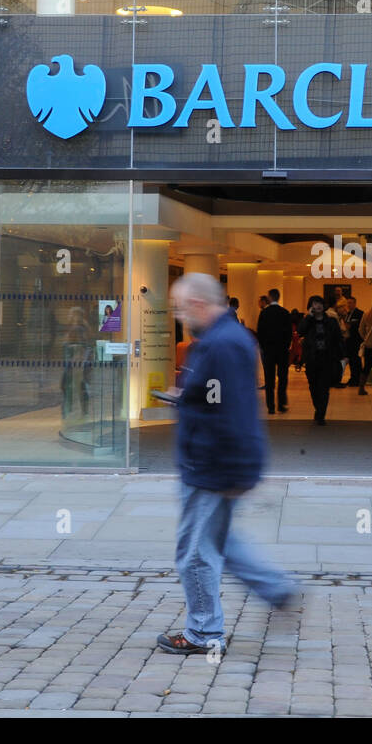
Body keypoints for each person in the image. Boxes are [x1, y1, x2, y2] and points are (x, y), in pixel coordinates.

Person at [157, 273, 297, 655]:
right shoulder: (222, 341)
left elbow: (231, 411)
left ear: (199, 304)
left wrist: (235, 469)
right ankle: (275, 587)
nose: (180, 316)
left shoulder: (222, 344)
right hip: (213, 462)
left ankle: (203, 633)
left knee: (196, 553)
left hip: (211, 465)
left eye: (182, 308)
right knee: (221, 541)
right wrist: (186, 395)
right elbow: (216, 397)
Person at [298, 296, 344, 425]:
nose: (317, 306)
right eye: (314, 303)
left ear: (324, 306)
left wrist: (342, 355)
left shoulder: (331, 322)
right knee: (313, 387)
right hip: (312, 359)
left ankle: (321, 414)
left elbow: (338, 339)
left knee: (324, 388)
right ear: (310, 306)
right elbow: (300, 331)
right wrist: (308, 317)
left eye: (319, 303)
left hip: (327, 359)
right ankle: (319, 409)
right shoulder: (308, 321)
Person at [256, 288, 292, 415]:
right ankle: (281, 404)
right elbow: (289, 333)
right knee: (282, 378)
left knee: (269, 378)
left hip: (269, 350)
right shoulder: (285, 313)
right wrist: (286, 346)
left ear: (270, 298)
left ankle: (270, 406)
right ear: (279, 297)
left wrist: (264, 347)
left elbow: (260, 332)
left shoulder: (264, 313)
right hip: (282, 350)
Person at [342, 296, 365, 388]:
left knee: (356, 360)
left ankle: (358, 379)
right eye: (348, 303)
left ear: (355, 303)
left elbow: (361, 327)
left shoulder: (360, 313)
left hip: (356, 341)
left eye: (351, 303)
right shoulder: (347, 314)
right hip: (349, 341)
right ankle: (353, 378)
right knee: (351, 360)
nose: (349, 305)